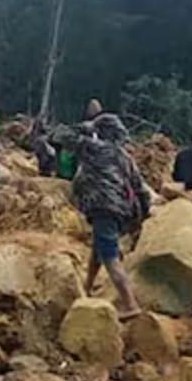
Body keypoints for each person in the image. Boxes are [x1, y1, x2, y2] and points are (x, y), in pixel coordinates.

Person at [51, 114, 150, 317]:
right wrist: (142, 216)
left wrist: (86, 127)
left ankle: (130, 304)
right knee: (98, 250)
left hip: (103, 207)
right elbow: (141, 190)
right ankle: (86, 289)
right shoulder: (124, 157)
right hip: (120, 210)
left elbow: (59, 135)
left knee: (110, 257)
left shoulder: (93, 148)